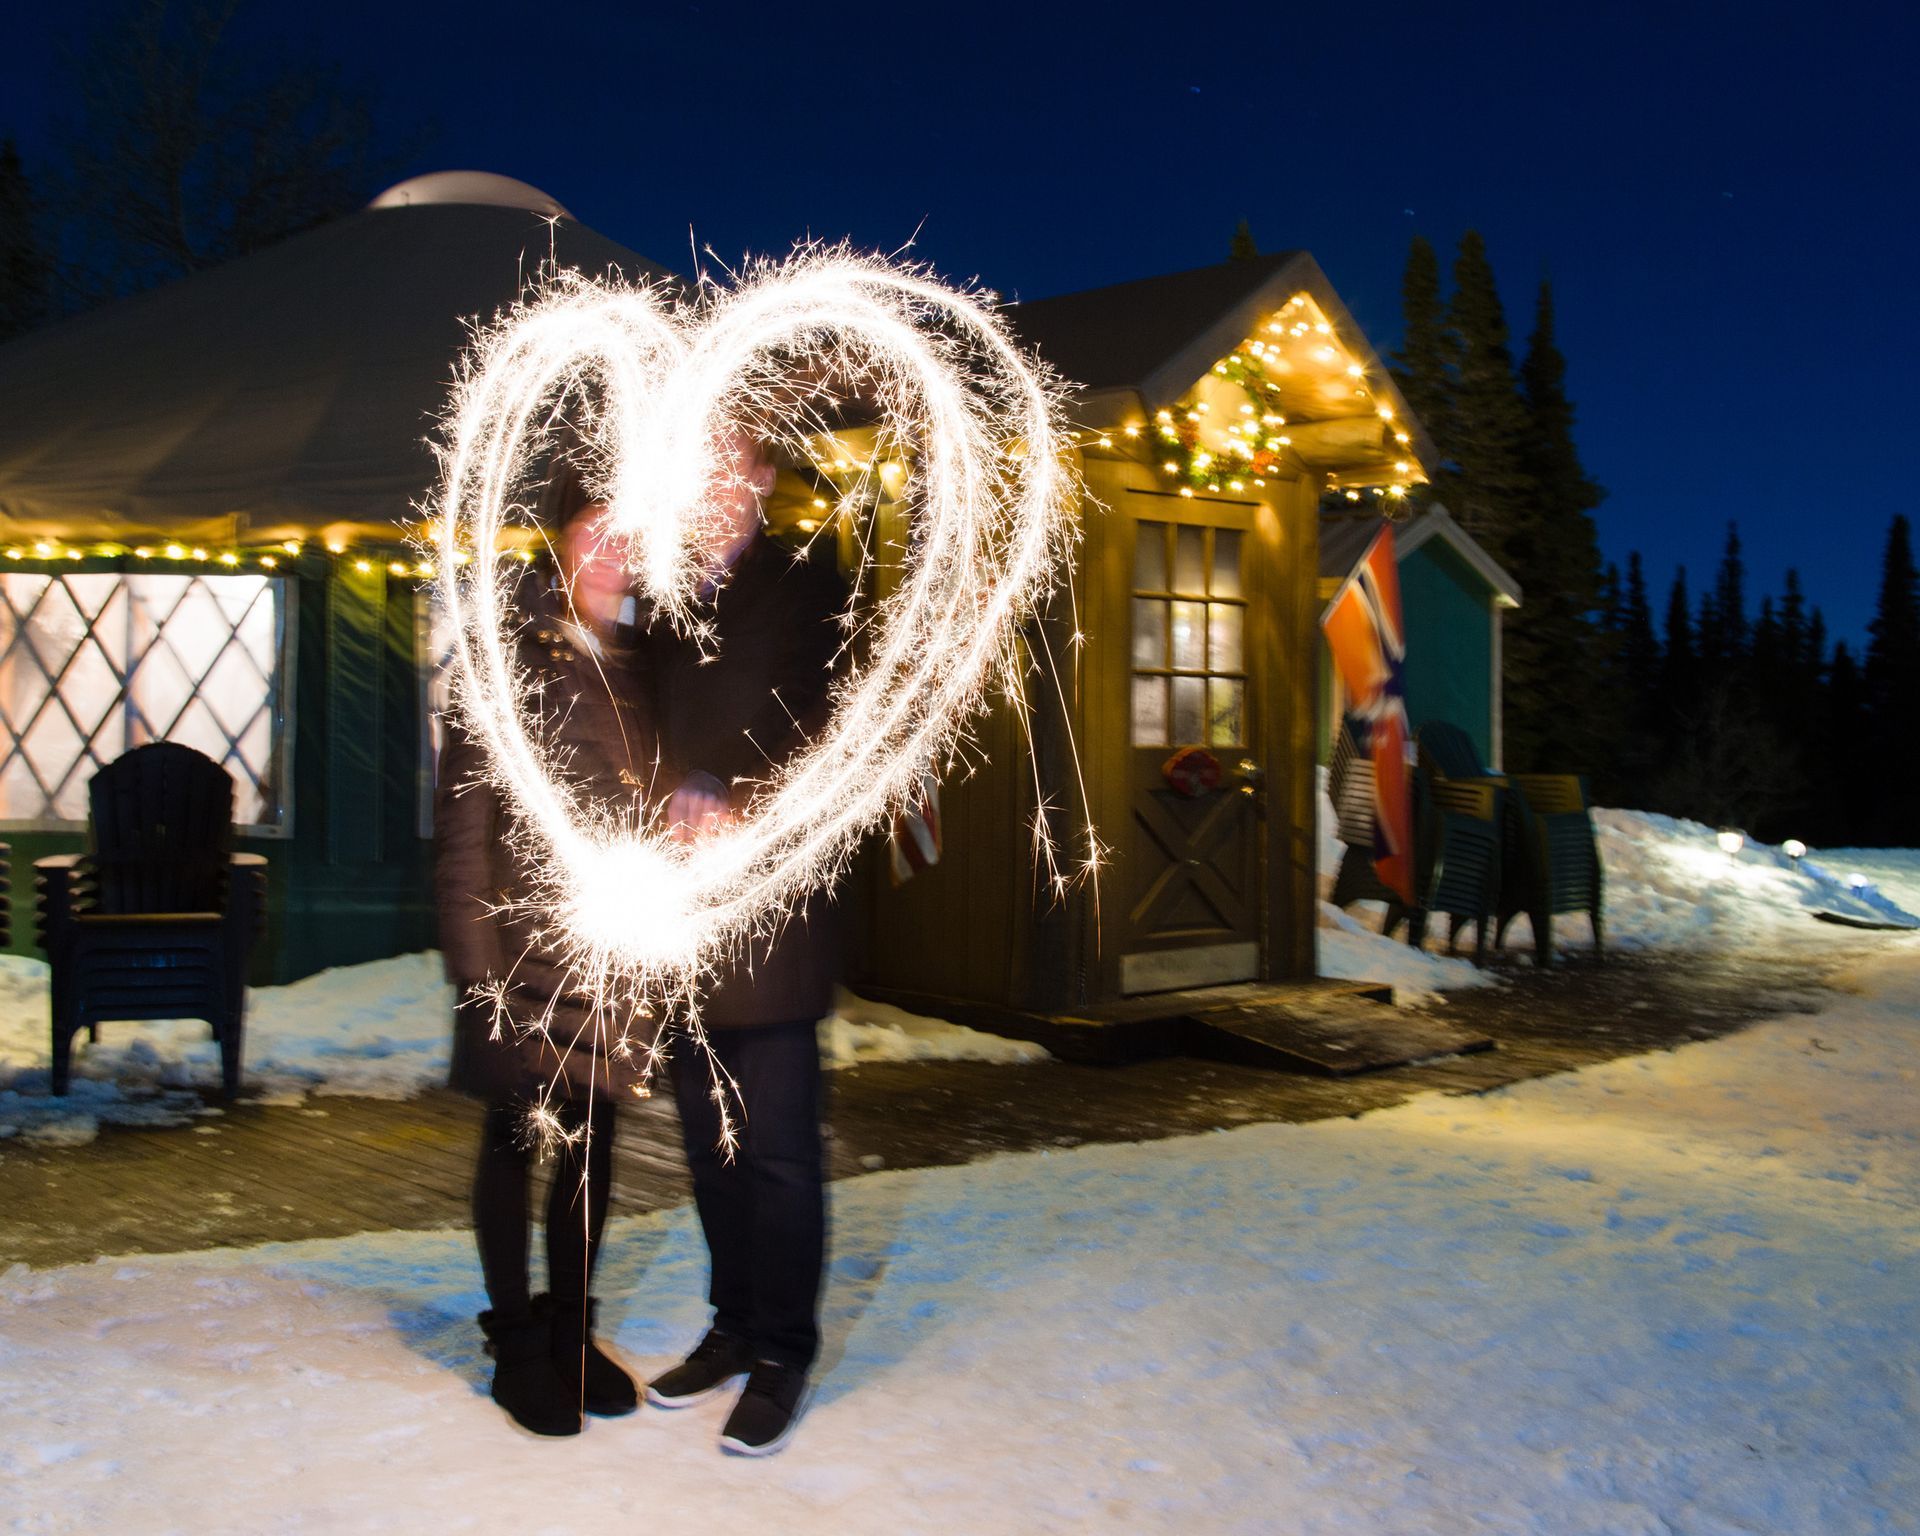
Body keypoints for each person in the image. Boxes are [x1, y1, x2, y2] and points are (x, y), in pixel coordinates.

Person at [435, 458, 651, 1438]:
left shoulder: (644, 667)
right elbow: (467, 829)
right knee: (519, 1138)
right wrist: (475, 970)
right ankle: (516, 1341)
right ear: (562, 543)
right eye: (597, 532)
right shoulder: (504, 659)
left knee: (594, 1143)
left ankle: (570, 1329)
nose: (616, 553)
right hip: (518, 955)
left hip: (608, 955)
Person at [641, 428, 847, 1457]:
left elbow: (828, 725)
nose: (712, 485)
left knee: (775, 1153)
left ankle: (783, 1353)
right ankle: (731, 1325)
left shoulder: (811, 584)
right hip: (685, 918)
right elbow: (645, 728)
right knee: (710, 1148)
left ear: (763, 477)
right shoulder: (670, 598)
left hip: (770, 914)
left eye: (730, 465)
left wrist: (731, 784)